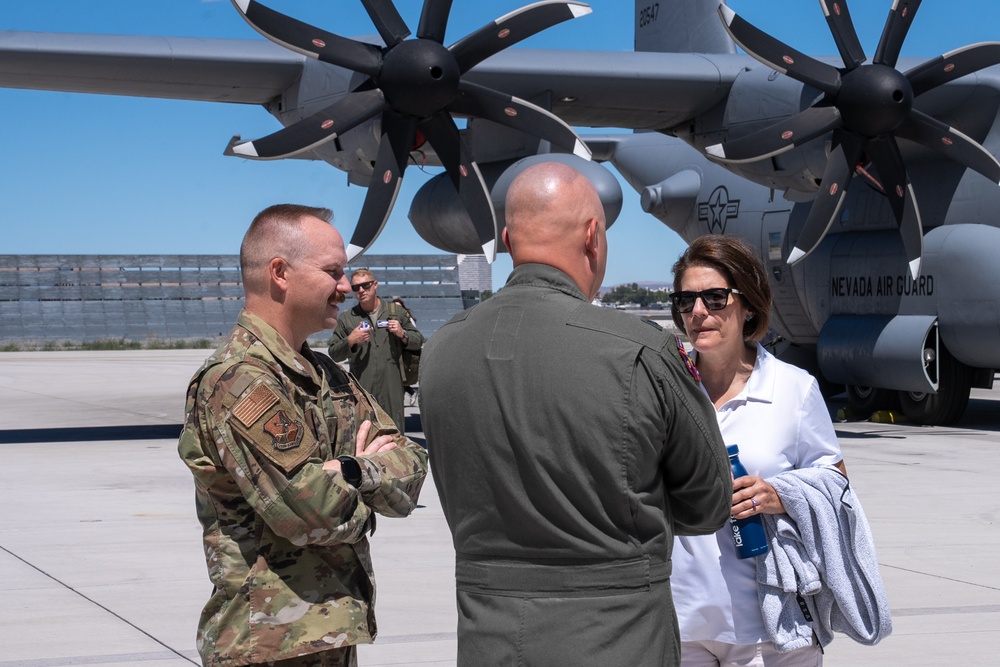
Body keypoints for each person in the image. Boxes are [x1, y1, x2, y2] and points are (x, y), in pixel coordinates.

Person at [419, 162, 733, 666]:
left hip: (489, 640)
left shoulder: (440, 351)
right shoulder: (640, 351)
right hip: (617, 638)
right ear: (593, 236)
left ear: (506, 238)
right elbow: (709, 502)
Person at [177, 204, 428, 667]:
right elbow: (309, 512)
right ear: (280, 273)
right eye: (332, 272)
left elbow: (411, 469)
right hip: (267, 647)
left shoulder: (325, 373)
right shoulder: (238, 381)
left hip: (328, 638)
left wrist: (349, 470)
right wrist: (366, 481)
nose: (345, 287)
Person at [668, 235, 846, 666]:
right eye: (686, 299)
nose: (698, 312)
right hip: (680, 625)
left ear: (748, 305)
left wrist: (780, 494)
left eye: (714, 298)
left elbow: (836, 482)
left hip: (770, 627)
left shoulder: (793, 389)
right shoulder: (667, 385)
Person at [328, 269, 423, 431]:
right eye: (356, 287)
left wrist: (403, 334)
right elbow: (334, 353)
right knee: (366, 432)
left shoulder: (396, 312)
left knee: (394, 431)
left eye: (365, 285)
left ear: (375, 284)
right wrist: (350, 340)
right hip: (362, 386)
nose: (361, 291)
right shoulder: (348, 318)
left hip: (392, 384)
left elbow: (418, 340)